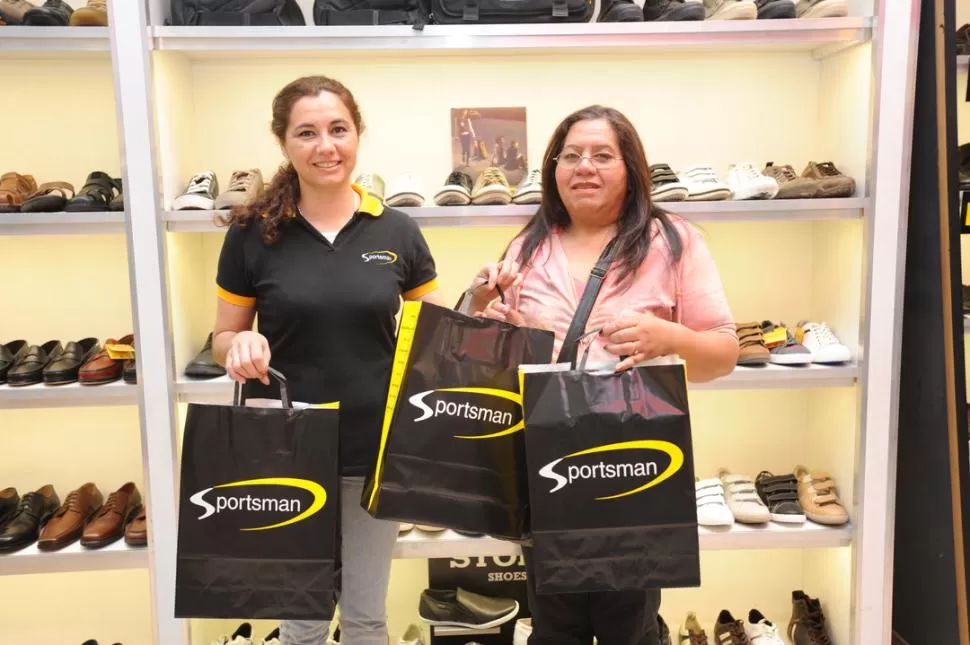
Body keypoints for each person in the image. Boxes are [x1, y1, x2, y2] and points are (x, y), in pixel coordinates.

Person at [470, 105, 739, 645]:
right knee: (554, 626)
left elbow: (723, 354)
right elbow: (491, 359)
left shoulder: (673, 241)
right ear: (553, 169)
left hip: (633, 464)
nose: (584, 167)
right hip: (546, 464)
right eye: (570, 156)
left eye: (602, 155)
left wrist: (670, 338)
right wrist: (482, 307)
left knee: (629, 625)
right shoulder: (528, 246)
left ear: (630, 167)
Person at [211, 75, 443, 645]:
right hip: (286, 448)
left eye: (338, 129)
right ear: (284, 143)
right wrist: (238, 346)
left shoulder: (398, 230)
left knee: (366, 617)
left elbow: (434, 334)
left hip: (375, 448)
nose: (326, 146)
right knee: (302, 617)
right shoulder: (251, 235)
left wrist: (483, 304)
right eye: (307, 133)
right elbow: (223, 336)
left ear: (357, 134)